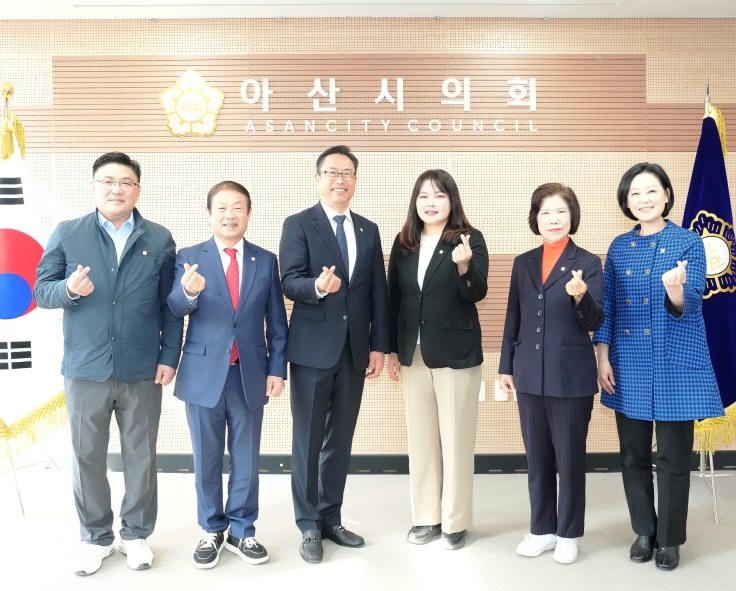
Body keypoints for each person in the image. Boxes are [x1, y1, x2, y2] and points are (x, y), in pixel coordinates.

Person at [33, 152, 183, 576]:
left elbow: (170, 306)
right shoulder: (68, 232)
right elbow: (41, 291)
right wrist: (68, 289)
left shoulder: (159, 238)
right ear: (93, 186)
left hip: (141, 368)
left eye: (125, 182)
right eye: (107, 181)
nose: (116, 189)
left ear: (138, 190)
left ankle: (135, 535)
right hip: (86, 368)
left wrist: (169, 356)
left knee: (141, 456)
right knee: (86, 458)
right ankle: (96, 537)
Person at [593, 163, 725, 571]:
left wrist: (674, 289)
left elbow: (692, 303)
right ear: (626, 201)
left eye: (652, 190)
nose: (644, 199)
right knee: (632, 454)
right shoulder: (619, 247)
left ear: (667, 195)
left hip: (674, 362)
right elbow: (608, 306)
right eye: (635, 193)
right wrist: (602, 355)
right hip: (629, 362)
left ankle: (669, 539)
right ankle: (644, 531)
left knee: (672, 457)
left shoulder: (688, 241)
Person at [167, 181, 288, 569]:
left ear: (249, 214)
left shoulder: (265, 260)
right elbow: (174, 309)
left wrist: (277, 368)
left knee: (246, 460)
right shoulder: (189, 257)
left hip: (249, 373)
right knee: (205, 458)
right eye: (221, 208)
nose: (230, 215)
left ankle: (242, 530)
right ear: (209, 213)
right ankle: (211, 529)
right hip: (203, 374)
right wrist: (188, 293)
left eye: (238, 208)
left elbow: (277, 322)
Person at [279, 145, 390, 563]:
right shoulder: (298, 224)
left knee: (340, 440)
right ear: (317, 179)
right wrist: (316, 287)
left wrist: (379, 345)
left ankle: (331, 517)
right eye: (331, 172)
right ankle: (308, 524)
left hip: (354, 351)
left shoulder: (368, 229)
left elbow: (377, 291)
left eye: (347, 173)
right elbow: (289, 281)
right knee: (307, 441)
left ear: (355, 181)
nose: (339, 179)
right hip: (312, 350)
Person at [498, 183, 604, 564]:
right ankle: (541, 529)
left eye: (561, 211)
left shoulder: (588, 262)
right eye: (545, 212)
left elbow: (595, 321)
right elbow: (513, 317)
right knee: (537, 457)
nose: (553, 219)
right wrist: (506, 366)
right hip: (528, 374)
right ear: (535, 218)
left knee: (570, 460)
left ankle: (568, 533)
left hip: (571, 377)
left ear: (572, 216)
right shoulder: (523, 262)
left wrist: (580, 296)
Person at [385, 169, 487, 550]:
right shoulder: (404, 243)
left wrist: (464, 267)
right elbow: (393, 298)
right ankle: (426, 516)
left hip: (456, 354)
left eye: (439, 196)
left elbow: (476, 293)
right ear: (415, 202)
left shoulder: (469, 238)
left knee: (457, 440)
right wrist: (391, 349)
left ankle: (455, 521)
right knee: (421, 439)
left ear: (452, 200)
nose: (431, 203)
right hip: (412, 353)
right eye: (424, 196)